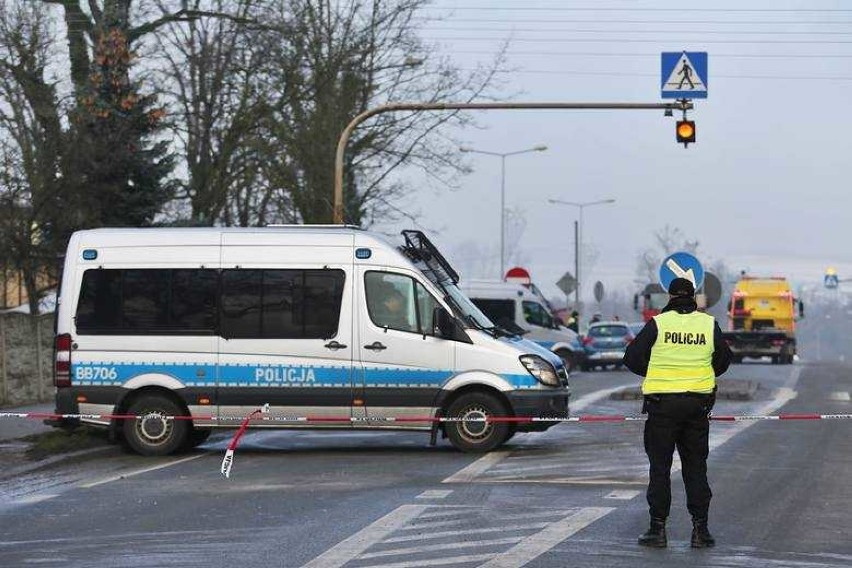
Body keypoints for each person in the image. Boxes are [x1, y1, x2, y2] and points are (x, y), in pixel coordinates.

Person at [623, 277, 732, 549]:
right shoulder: (708, 324)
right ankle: (701, 531)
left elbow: (631, 357)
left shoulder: (658, 325)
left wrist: (657, 370)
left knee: (660, 469)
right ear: (693, 296)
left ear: (669, 297)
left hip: (662, 408)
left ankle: (657, 530)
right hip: (697, 407)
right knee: (696, 468)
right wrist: (702, 372)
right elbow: (723, 360)